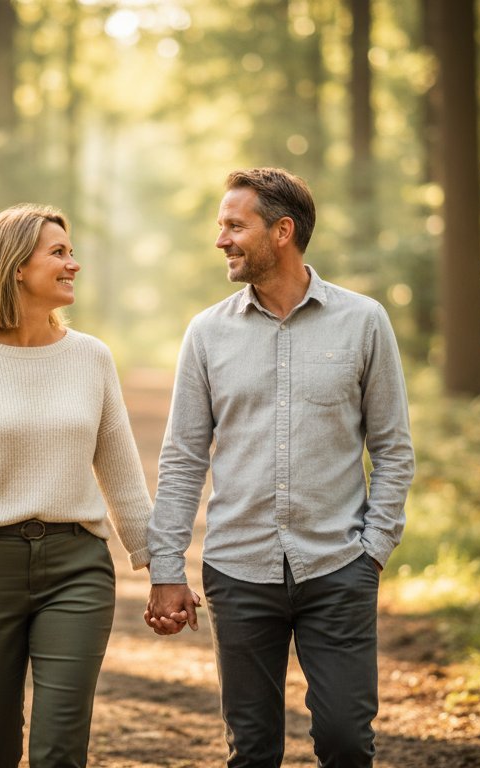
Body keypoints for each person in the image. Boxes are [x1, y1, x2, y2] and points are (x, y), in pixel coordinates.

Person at [144, 168, 415, 767]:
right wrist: (166, 568)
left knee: (347, 742)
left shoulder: (364, 321)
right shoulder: (207, 333)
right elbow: (183, 458)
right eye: (221, 227)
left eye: (235, 226)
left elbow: (393, 448)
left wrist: (373, 549)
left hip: (338, 568)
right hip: (238, 572)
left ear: (283, 231)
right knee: (253, 750)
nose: (221, 240)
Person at [0, 203, 161, 768]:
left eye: (71, 252)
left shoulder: (91, 358)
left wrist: (162, 570)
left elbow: (122, 477)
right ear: (16, 266)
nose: (74, 264)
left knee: (59, 752)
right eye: (59, 253)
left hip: (77, 569)